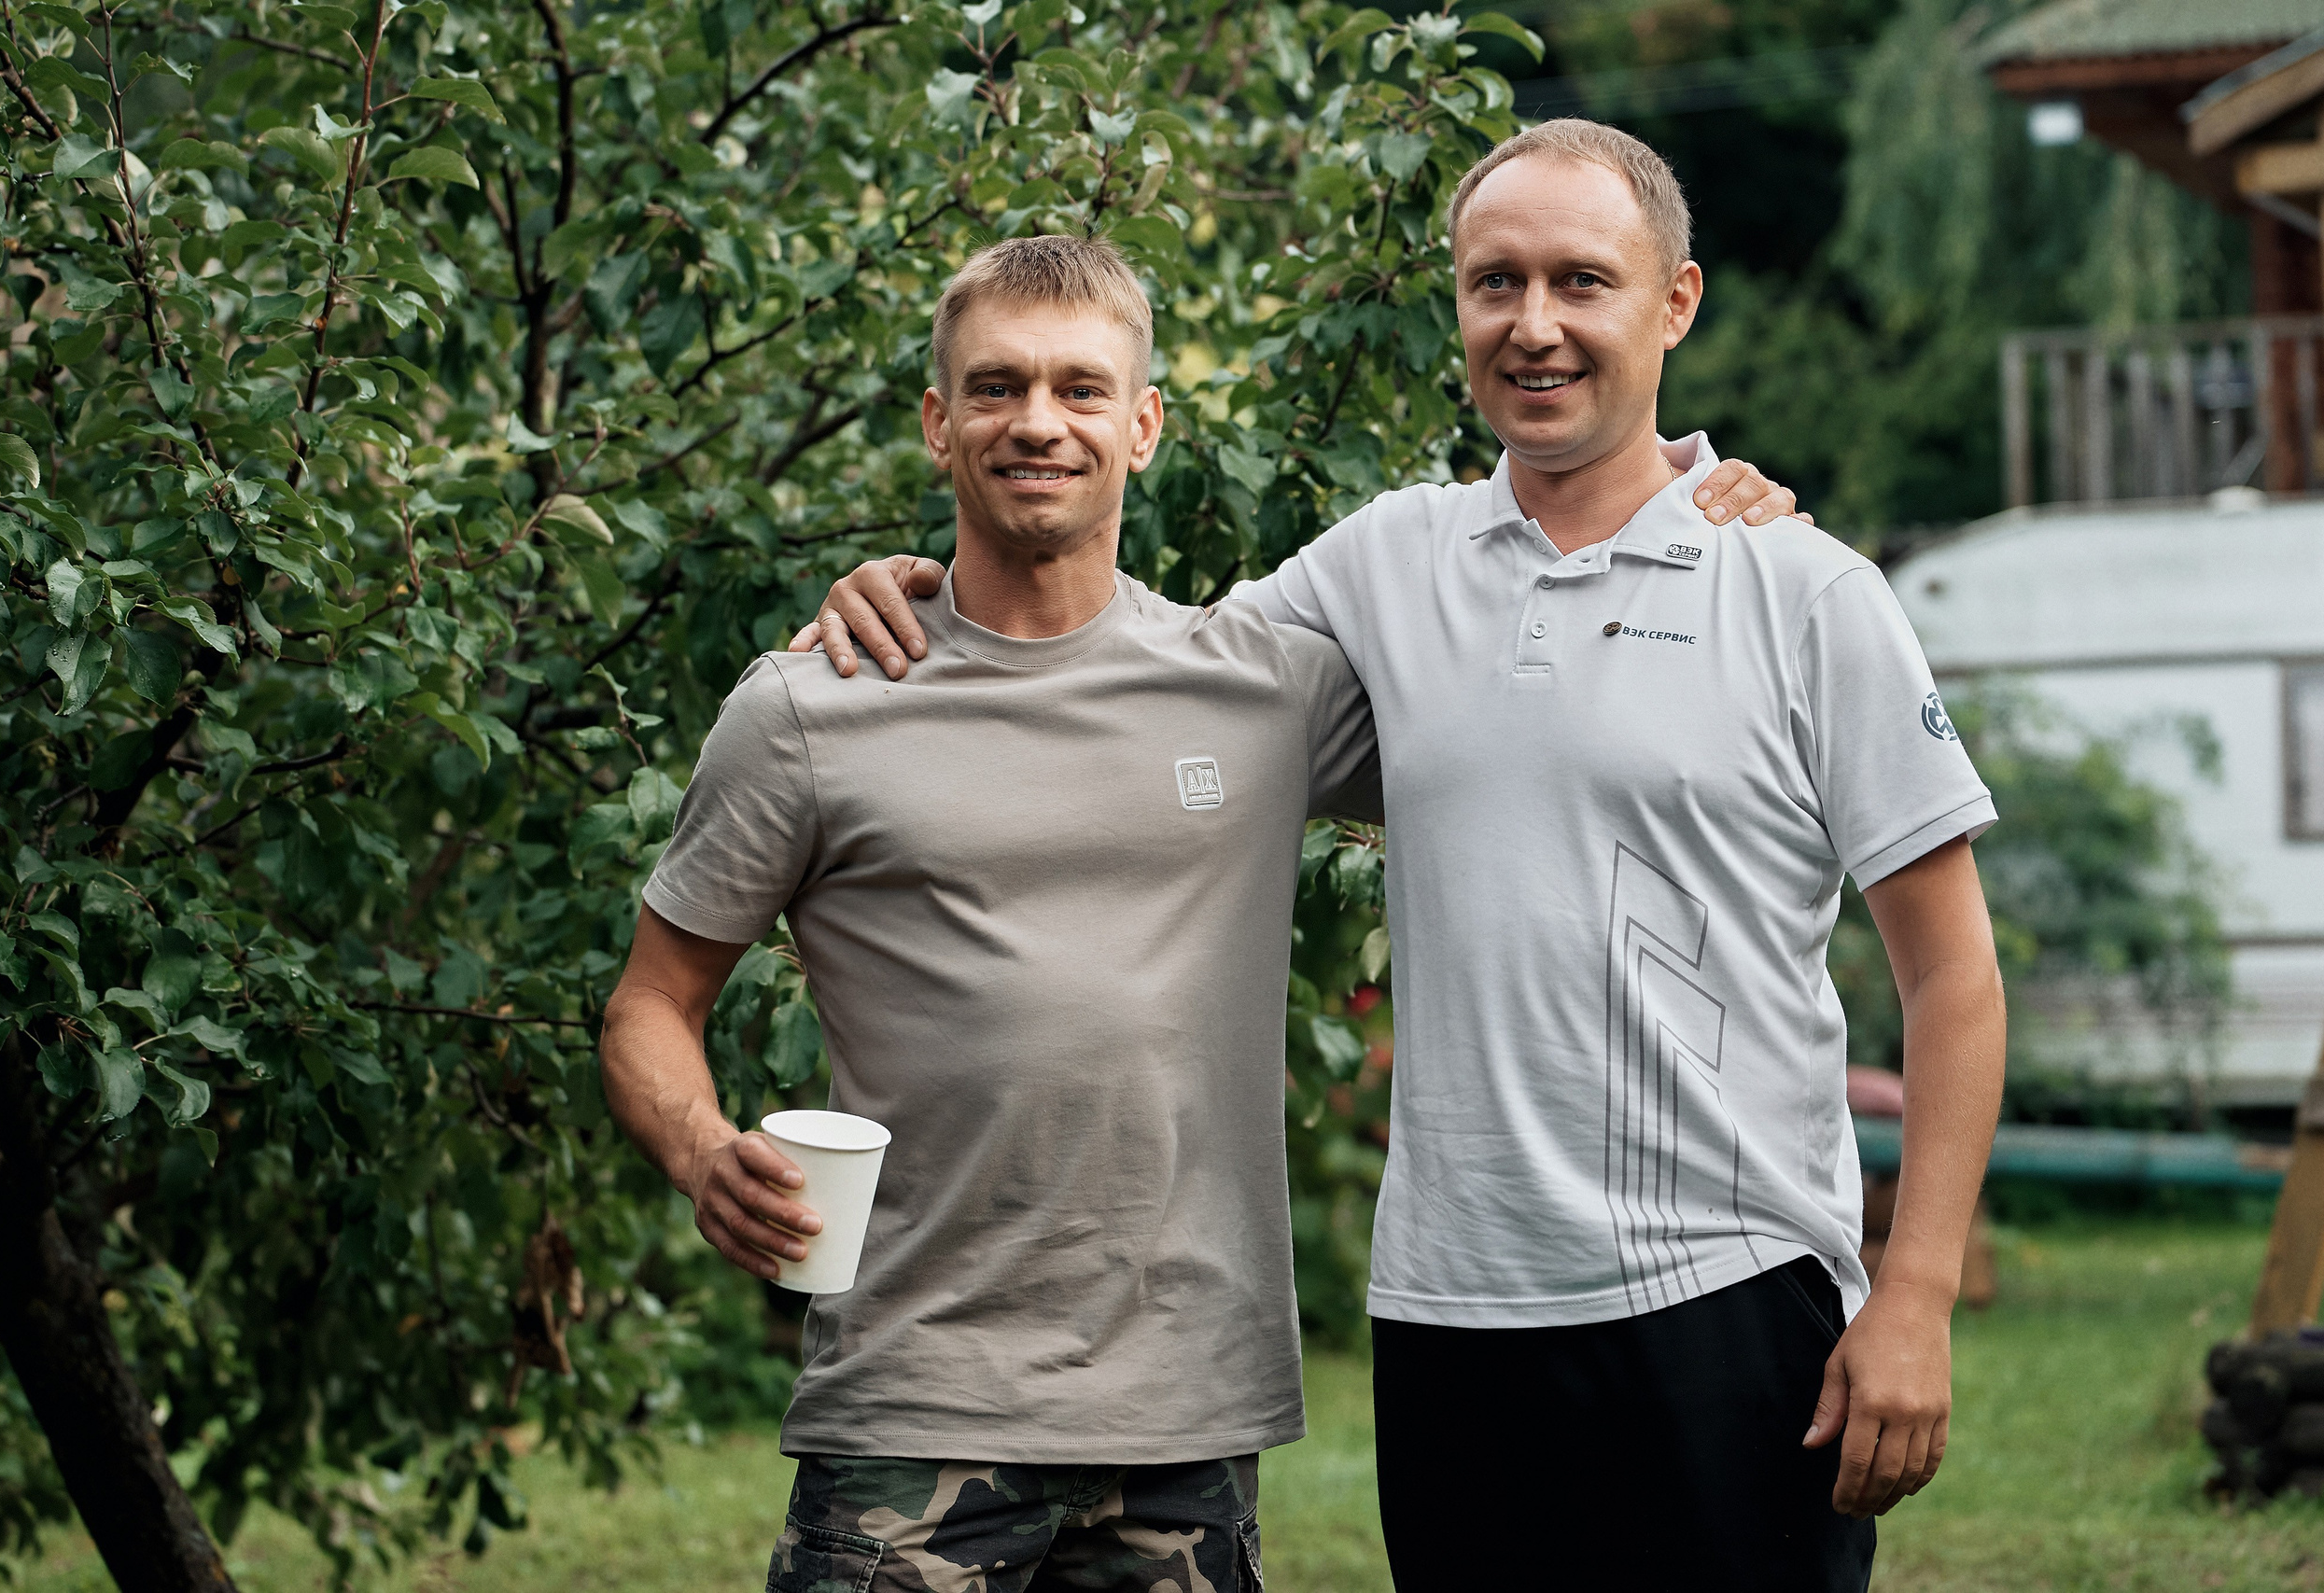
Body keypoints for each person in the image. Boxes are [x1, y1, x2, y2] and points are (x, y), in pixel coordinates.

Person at [795, 119, 2005, 1592]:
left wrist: (1918, 1291)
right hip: (1455, 1315)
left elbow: (1953, 978)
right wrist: (932, 582)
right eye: (1497, 283)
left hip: (1730, 1300)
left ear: (1674, 303)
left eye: (1583, 282)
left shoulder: (1807, 593)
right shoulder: (1383, 563)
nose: (1535, 324)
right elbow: (1120, 679)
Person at [601, 234, 1390, 1593]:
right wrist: (701, 1148)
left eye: (1082, 389)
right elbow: (650, 1004)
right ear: (938, 422)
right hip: (913, 1410)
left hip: (1186, 1419)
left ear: (1143, 425)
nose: (1038, 421)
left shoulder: (1267, 690)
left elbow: (1531, 700)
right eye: (997, 386)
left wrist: (1707, 504)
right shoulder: (811, 704)